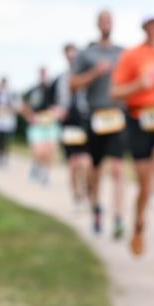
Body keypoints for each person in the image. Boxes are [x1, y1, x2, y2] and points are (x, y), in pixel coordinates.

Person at [111, 15, 154, 269]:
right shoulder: (131, 56)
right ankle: (139, 223)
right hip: (139, 119)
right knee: (145, 186)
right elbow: (115, 92)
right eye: (149, 26)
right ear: (143, 28)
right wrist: (138, 85)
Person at [70, 10, 127, 238]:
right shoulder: (87, 54)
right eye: (103, 21)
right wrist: (95, 72)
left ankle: (119, 217)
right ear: (97, 24)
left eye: (110, 20)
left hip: (118, 115)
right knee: (96, 169)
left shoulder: (122, 53)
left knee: (118, 168)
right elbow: (73, 84)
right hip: (95, 115)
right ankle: (96, 208)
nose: (107, 24)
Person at [55, 43, 91, 208]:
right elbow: (53, 103)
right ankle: (76, 194)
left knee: (85, 162)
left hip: (84, 121)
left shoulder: (86, 75)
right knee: (73, 163)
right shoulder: (60, 79)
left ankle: (85, 190)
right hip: (68, 123)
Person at [21, 66, 62, 186]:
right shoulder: (33, 89)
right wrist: (29, 116)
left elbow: (60, 105)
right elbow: (22, 103)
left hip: (51, 124)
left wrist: (56, 113)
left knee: (50, 151)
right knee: (39, 152)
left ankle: (45, 175)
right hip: (37, 124)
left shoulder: (54, 90)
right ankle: (36, 166)